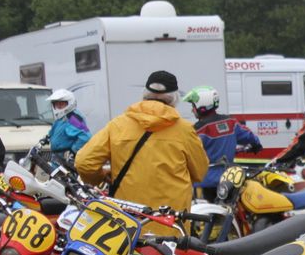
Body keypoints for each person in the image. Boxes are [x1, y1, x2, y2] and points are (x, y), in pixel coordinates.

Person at [75, 70, 208, 234]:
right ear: (174, 98)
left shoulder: (118, 125)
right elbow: (200, 172)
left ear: (144, 95)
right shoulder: (184, 130)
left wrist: (100, 177)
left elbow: (84, 162)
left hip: (127, 224)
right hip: (170, 226)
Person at [183, 85, 262, 200]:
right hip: (228, 181)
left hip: (204, 183)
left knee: (202, 210)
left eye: (193, 106)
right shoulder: (231, 122)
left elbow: (186, 154)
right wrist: (256, 145)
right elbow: (251, 138)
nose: (192, 109)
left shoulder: (198, 130)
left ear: (202, 106)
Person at [46, 89, 91, 158]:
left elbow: (86, 136)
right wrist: (47, 138)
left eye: (61, 104)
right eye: (56, 104)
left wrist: (73, 151)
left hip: (66, 159)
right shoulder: (61, 117)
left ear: (70, 103)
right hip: (57, 157)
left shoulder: (73, 118)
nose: (59, 106)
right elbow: (55, 131)